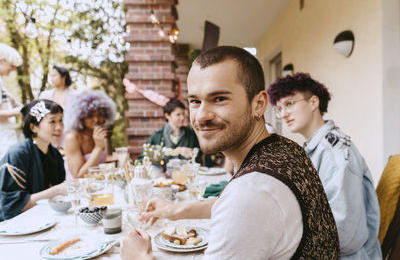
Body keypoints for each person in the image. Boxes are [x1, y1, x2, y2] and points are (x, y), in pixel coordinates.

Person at [120, 46, 339, 259]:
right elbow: (233, 206)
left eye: (219, 99)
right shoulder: (283, 147)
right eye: (195, 101)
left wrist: (139, 257)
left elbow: (244, 205)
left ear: (259, 104)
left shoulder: (250, 193)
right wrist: (175, 210)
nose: (201, 116)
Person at [267, 72, 381, 259]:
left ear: (313, 102)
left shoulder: (334, 153)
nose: (284, 114)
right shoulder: (314, 149)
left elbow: (343, 235)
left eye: (289, 103)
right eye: (279, 108)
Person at [0, 100, 66, 221]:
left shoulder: (55, 154)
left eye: (61, 120)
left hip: (44, 220)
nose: (59, 127)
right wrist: (56, 191)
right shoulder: (18, 154)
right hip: (13, 227)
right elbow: (9, 206)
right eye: (52, 121)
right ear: (33, 127)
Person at [63, 91, 116, 178]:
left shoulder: (97, 134)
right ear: (80, 117)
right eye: (90, 115)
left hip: (97, 185)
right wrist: (98, 148)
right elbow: (78, 175)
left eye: (99, 114)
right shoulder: (72, 137)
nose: (96, 120)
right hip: (78, 188)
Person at [138, 98, 202, 164]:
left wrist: (192, 155)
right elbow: (142, 159)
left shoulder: (191, 134)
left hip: (184, 173)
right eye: (178, 114)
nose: (182, 117)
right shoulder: (157, 136)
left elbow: (198, 160)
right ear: (167, 116)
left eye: (183, 114)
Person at [0, 43, 23, 159]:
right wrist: (16, 111)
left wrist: (13, 103)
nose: (13, 69)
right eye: (12, 65)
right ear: (2, 61)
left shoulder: (2, 83)